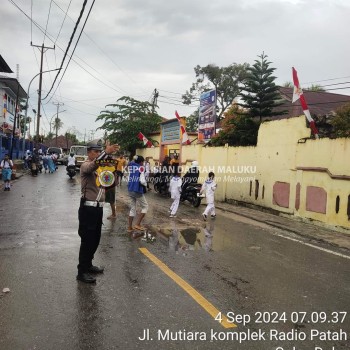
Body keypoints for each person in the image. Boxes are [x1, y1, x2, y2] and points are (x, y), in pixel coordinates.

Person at [77, 139, 120, 284]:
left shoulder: (101, 168)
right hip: (87, 208)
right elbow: (92, 166)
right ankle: (81, 272)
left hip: (98, 209)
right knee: (87, 240)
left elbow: (111, 180)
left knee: (95, 239)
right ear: (89, 152)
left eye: (99, 151)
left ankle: (88, 265)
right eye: (95, 151)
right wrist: (105, 153)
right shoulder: (85, 165)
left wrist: (113, 163)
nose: (97, 154)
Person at [127, 155, 149, 233]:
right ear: (140, 162)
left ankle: (129, 227)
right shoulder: (141, 168)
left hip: (130, 189)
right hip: (137, 190)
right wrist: (146, 185)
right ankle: (137, 224)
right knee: (145, 207)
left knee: (132, 208)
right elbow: (142, 181)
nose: (143, 163)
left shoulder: (131, 166)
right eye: (143, 162)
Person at [105, 156, 118, 220]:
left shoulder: (110, 166)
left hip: (110, 186)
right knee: (110, 200)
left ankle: (114, 214)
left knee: (111, 200)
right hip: (110, 185)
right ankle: (113, 214)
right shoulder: (110, 166)